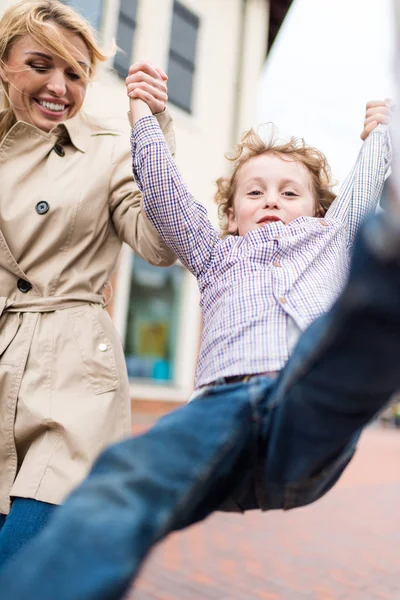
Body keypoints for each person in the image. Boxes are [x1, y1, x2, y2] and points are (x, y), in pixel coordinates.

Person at [0, 69, 398, 600]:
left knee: (372, 278)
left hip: (303, 401)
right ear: (231, 216)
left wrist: (382, 137)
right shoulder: (215, 255)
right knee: (119, 479)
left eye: (289, 192)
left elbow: (364, 186)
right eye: (254, 193)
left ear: (320, 212)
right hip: (220, 413)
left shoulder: (328, 242)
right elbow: (165, 195)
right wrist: (143, 115)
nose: (271, 200)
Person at [0, 1, 177, 563]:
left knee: (23, 560)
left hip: (72, 377)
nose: (59, 85)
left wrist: (153, 132)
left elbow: (160, 242)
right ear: (4, 64)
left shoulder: (107, 150)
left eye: (75, 73)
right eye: (40, 64)